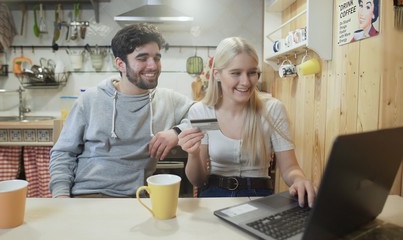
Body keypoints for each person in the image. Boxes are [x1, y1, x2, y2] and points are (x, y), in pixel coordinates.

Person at [49, 23, 193, 198]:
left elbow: (210, 115)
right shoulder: (90, 100)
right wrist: (61, 197)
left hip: (138, 199)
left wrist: (177, 132)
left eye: (156, 57)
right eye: (142, 58)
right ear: (120, 64)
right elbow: (64, 152)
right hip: (87, 195)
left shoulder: (168, 100)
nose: (153, 66)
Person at [177, 37, 317, 207]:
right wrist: (192, 154)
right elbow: (198, 180)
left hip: (260, 197)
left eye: (252, 72)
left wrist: (299, 179)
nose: (246, 81)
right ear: (217, 75)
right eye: (236, 73)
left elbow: (290, 168)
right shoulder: (202, 111)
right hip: (214, 197)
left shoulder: (273, 110)